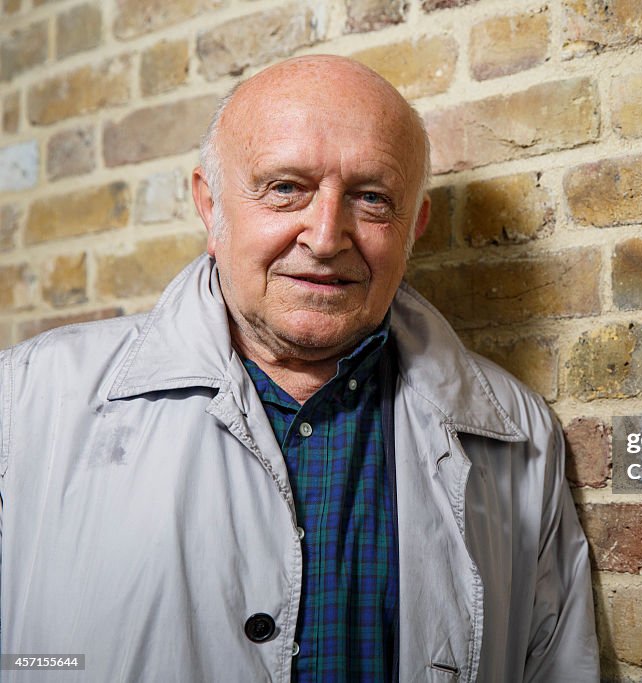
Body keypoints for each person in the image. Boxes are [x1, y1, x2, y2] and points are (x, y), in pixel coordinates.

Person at [0, 55, 599, 682]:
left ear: (413, 228)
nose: (324, 236)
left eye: (371, 199)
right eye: (286, 188)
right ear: (211, 204)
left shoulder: (519, 434)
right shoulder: (29, 399)